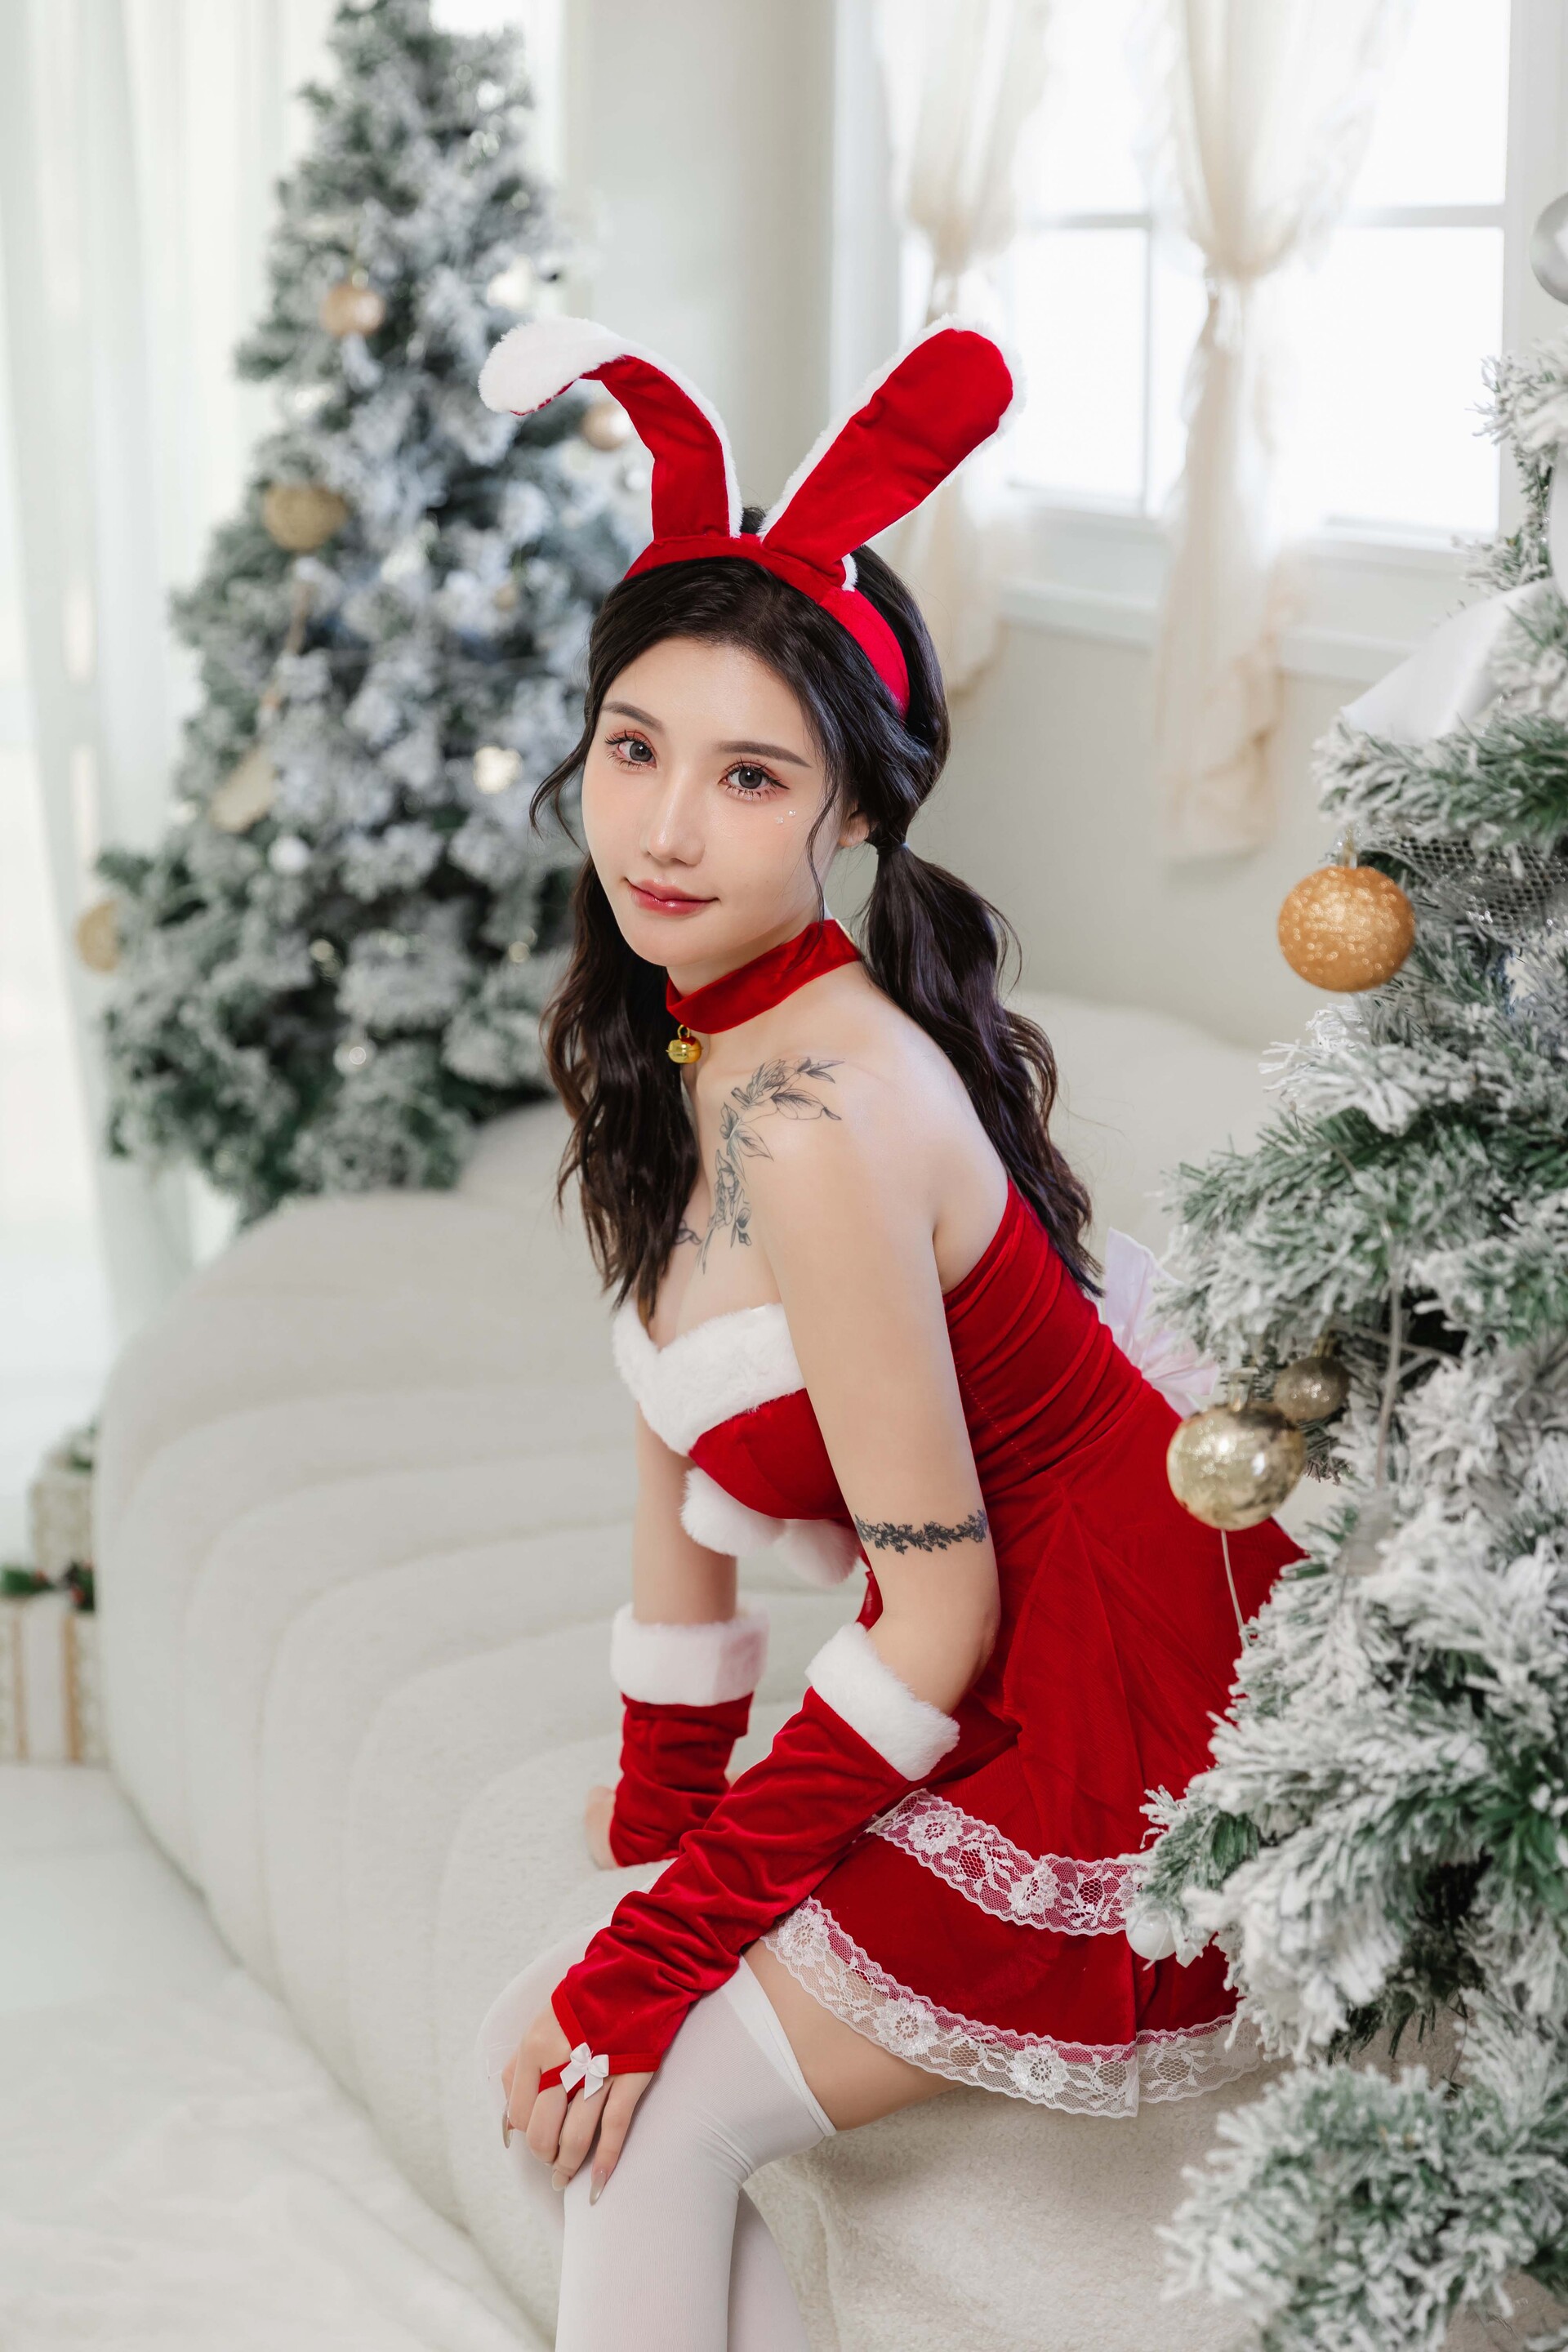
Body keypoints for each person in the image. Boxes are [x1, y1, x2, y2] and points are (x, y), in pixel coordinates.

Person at [470, 319, 1303, 2351]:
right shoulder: (679, 1041)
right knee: (578, 2070)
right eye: (633, 749)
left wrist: (662, 1957)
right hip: (977, 1637)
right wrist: (656, 1844)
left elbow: (938, 1618)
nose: (665, 830)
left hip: (1098, 1676)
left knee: (639, 2113)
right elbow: (670, 1449)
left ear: (847, 816)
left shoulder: (824, 1119)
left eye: (750, 776)